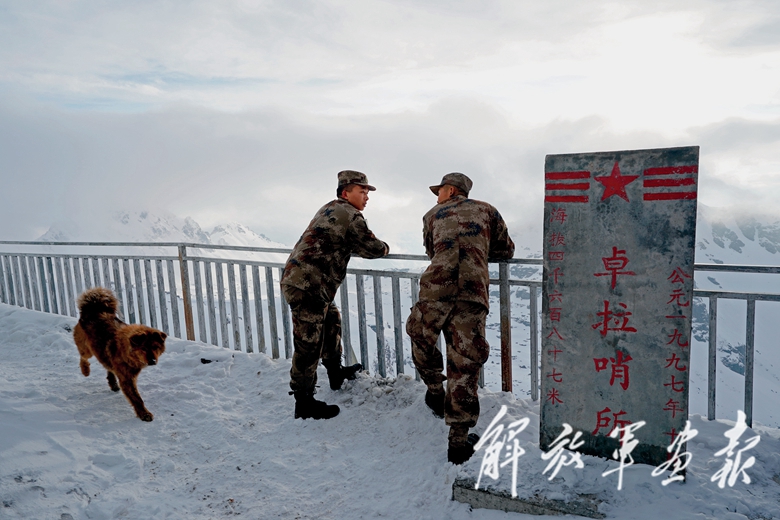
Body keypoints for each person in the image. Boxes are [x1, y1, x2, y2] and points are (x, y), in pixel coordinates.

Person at [406, 172, 515, 464]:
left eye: (439, 191)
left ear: (451, 190)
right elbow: (506, 249)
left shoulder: (431, 215)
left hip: (435, 290)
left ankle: (434, 390)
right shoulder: (488, 210)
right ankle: (458, 441)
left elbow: (431, 250)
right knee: (465, 362)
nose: (437, 196)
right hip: (471, 294)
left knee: (420, 336)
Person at [281, 170, 389, 420]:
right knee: (308, 343)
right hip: (308, 286)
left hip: (307, 282)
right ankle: (303, 401)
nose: (367, 197)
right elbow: (372, 248)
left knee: (331, 320)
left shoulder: (330, 207)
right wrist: (386, 248)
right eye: (362, 191)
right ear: (345, 193)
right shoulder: (350, 215)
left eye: (367, 192)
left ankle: (335, 372)